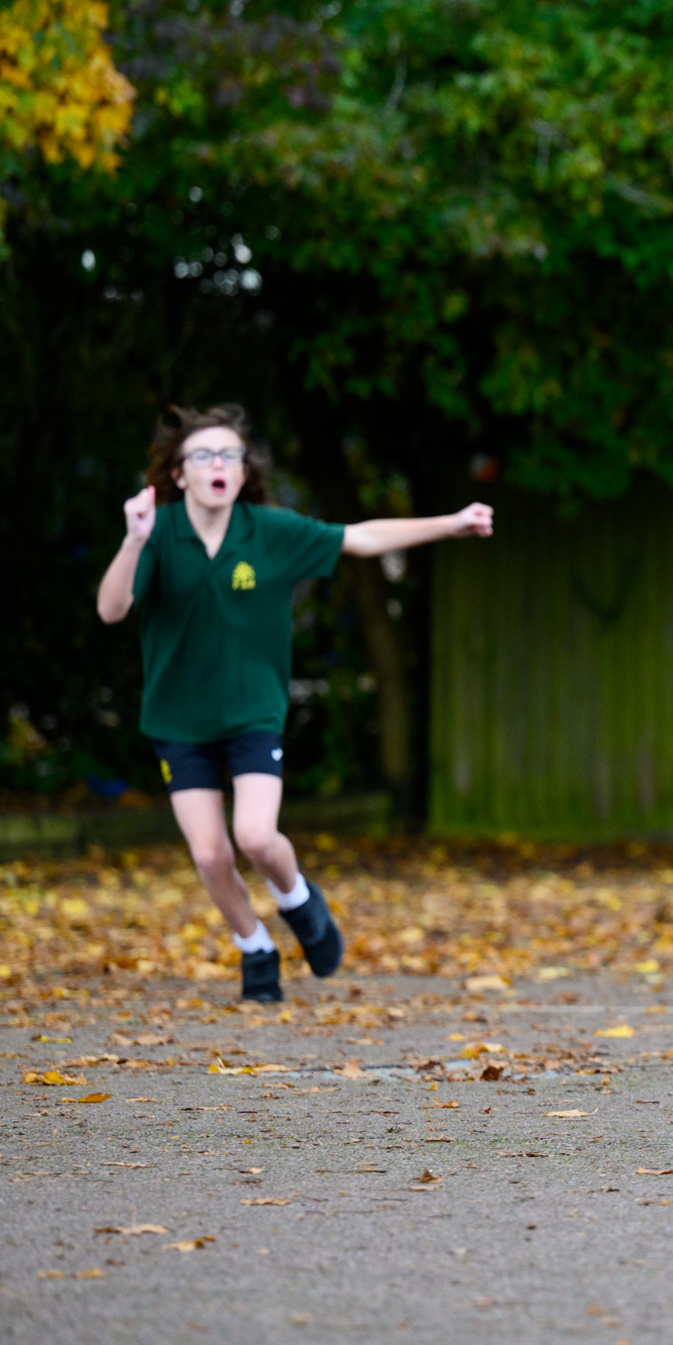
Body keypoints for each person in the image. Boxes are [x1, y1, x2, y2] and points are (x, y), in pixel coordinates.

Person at [95, 404, 495, 1004]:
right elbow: (111, 609)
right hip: (179, 721)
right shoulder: (159, 535)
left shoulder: (272, 532)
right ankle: (255, 946)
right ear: (179, 474)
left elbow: (359, 538)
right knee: (210, 853)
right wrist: (133, 540)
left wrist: (451, 523)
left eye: (229, 454)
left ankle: (298, 901)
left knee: (256, 835)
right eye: (202, 455)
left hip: (254, 712)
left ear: (241, 469)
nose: (217, 464)